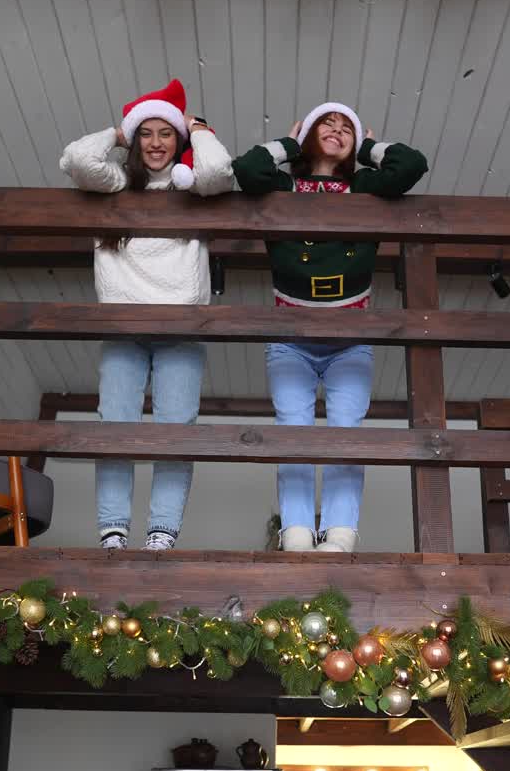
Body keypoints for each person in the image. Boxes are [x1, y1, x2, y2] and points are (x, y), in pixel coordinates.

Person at [232, 103, 427, 552]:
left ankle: (340, 533)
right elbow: (247, 169)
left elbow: (412, 165)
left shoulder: (364, 185)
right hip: (290, 338)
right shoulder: (284, 184)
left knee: (347, 431)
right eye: (328, 124)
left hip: (351, 336)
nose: (338, 131)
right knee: (293, 430)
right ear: (309, 134)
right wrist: (286, 142)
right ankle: (296, 531)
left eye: (347, 129)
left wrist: (373, 147)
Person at [60, 79, 234, 550]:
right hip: (123, 324)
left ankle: (163, 531)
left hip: (182, 324)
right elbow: (77, 160)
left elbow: (219, 171)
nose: (156, 143)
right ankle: (113, 528)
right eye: (146, 133)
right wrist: (118, 132)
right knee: (114, 425)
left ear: (179, 140)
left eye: (166, 133)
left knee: (177, 430)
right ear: (134, 140)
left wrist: (198, 128)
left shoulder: (192, 188)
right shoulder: (116, 184)